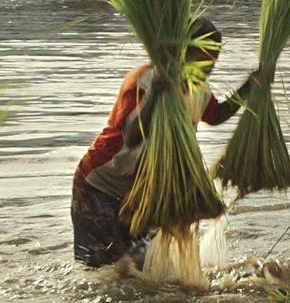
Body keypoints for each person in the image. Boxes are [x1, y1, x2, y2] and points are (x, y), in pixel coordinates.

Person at [72, 19, 257, 267]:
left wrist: (251, 85)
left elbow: (216, 115)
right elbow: (131, 135)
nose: (209, 66)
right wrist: (155, 94)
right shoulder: (144, 80)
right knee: (106, 268)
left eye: (214, 57)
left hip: (145, 191)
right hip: (102, 184)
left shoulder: (198, 88)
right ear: (182, 52)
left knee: (142, 265)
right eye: (202, 57)